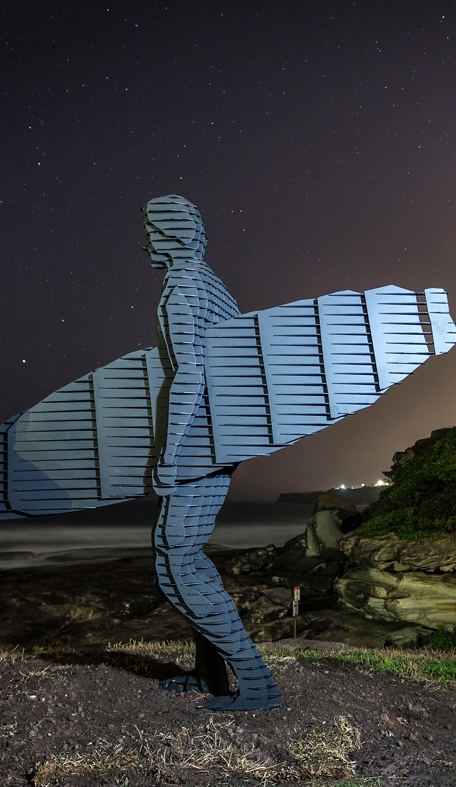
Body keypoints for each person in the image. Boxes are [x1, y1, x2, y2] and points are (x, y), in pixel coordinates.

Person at [144, 194, 280, 711]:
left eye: (152, 230)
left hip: (198, 443)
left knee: (177, 560)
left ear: (173, 234)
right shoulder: (215, 286)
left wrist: (168, 454)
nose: (146, 241)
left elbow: (190, 375)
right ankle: (211, 675)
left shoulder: (183, 289)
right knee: (180, 557)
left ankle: (257, 684)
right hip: (222, 440)